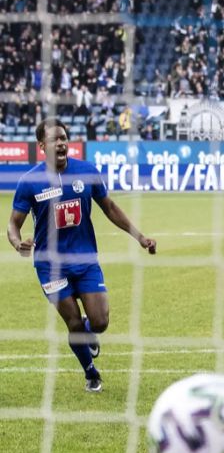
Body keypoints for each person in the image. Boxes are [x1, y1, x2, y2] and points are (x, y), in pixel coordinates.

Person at [7, 118, 157, 393]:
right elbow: (13, 224)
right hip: (50, 266)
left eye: (64, 138)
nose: (62, 143)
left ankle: (89, 331)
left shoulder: (86, 171)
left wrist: (140, 237)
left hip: (85, 260)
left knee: (99, 322)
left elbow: (109, 207)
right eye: (55, 139)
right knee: (73, 322)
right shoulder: (30, 182)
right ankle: (91, 373)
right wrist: (18, 244)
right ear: (42, 146)